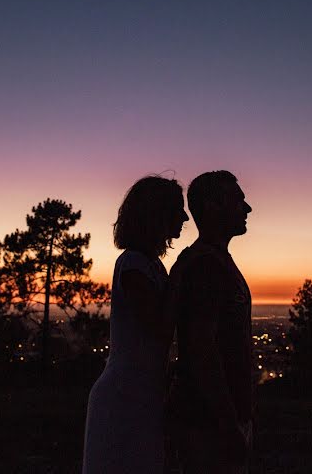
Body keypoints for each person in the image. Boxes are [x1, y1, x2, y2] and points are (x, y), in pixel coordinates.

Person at [82, 175, 189, 474]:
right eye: (177, 209)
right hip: (125, 395)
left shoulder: (151, 265)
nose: (184, 217)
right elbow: (158, 327)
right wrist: (182, 276)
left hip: (142, 392)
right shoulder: (133, 265)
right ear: (157, 213)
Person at [169, 170, 254, 473]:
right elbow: (202, 349)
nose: (247, 209)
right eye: (238, 200)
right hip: (209, 423)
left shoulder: (210, 260)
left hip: (215, 418)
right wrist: (228, 424)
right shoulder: (205, 266)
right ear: (211, 207)